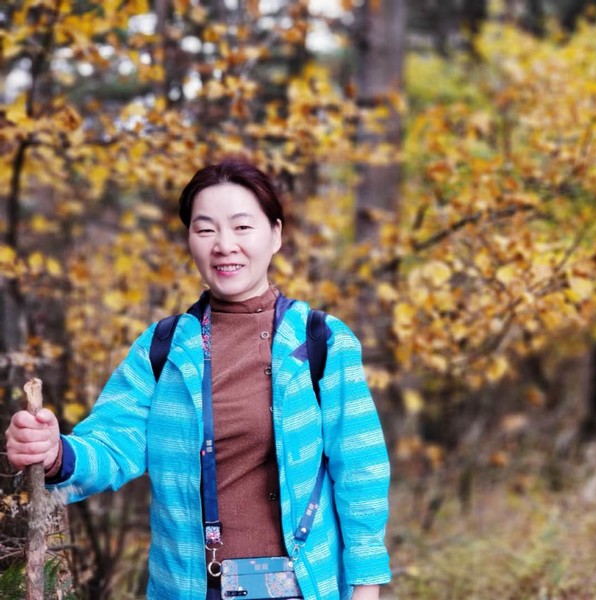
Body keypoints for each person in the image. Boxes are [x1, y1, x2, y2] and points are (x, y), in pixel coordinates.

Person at [4, 159, 392, 600]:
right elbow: (112, 446)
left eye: (242, 227)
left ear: (275, 235)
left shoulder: (320, 341)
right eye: (205, 229)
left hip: (305, 588)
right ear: (190, 240)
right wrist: (54, 453)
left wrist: (366, 588)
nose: (224, 245)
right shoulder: (164, 348)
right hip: (187, 588)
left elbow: (361, 469)